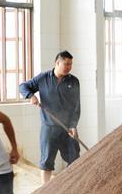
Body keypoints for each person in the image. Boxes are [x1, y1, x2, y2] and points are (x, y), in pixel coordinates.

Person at [19, 51, 81, 185]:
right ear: (57, 63)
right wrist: (31, 96)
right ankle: (45, 191)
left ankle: (71, 188)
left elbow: (76, 107)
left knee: (75, 158)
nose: (69, 67)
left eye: (70, 64)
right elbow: (23, 86)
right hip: (49, 128)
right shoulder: (43, 78)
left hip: (68, 129)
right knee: (46, 161)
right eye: (66, 64)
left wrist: (73, 125)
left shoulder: (74, 81)